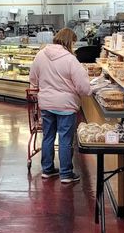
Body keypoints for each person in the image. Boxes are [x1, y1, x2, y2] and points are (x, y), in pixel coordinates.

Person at [29, 28, 91, 184]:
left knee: (48, 137)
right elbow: (84, 88)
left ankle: (47, 170)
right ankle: (66, 174)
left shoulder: (40, 54)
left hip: (46, 104)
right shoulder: (70, 60)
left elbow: (33, 78)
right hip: (66, 106)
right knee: (65, 140)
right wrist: (91, 89)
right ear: (70, 42)